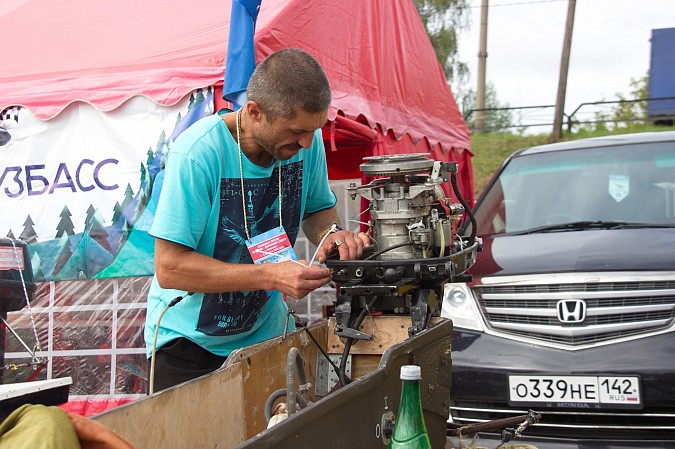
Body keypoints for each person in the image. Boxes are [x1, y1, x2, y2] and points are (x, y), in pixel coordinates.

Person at [144, 48, 370, 392]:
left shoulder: (307, 141)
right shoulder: (197, 154)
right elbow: (170, 268)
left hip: (266, 334)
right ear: (254, 112)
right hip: (187, 344)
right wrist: (271, 275)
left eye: (315, 129)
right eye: (296, 131)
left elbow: (316, 209)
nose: (307, 143)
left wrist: (331, 234)